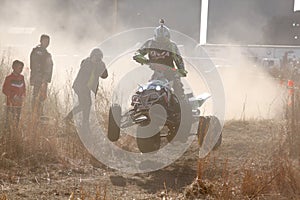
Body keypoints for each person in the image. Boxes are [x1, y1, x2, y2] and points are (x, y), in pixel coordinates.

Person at [133, 19, 188, 99]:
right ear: (155, 37)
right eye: (159, 41)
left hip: (170, 73)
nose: (160, 44)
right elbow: (138, 53)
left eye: (163, 42)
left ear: (168, 38)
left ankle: (183, 106)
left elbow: (178, 60)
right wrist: (141, 58)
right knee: (146, 89)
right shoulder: (150, 43)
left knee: (178, 89)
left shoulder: (172, 46)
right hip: (155, 72)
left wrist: (181, 70)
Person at [65, 48, 108, 131]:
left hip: (87, 88)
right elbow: (88, 70)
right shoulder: (86, 62)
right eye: (96, 57)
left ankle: (73, 119)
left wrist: (103, 67)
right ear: (92, 56)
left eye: (99, 58)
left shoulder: (99, 65)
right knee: (86, 104)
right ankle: (84, 124)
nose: (97, 59)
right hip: (80, 87)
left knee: (84, 105)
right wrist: (98, 66)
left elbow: (105, 76)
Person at [30, 34, 53, 117]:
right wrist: (41, 78)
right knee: (36, 96)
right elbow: (35, 65)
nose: (47, 43)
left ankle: (39, 113)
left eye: (48, 41)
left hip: (44, 79)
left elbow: (49, 66)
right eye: (45, 41)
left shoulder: (46, 53)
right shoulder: (37, 52)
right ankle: (35, 114)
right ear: (41, 41)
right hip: (39, 78)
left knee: (42, 97)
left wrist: (46, 79)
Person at [2, 60, 26, 130]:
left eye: (22, 68)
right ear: (13, 67)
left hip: (19, 105)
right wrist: (14, 96)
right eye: (19, 68)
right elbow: (4, 90)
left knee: (16, 123)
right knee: (9, 123)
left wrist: (23, 96)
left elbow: (24, 88)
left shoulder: (22, 77)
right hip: (10, 105)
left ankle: (15, 136)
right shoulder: (9, 78)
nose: (21, 70)